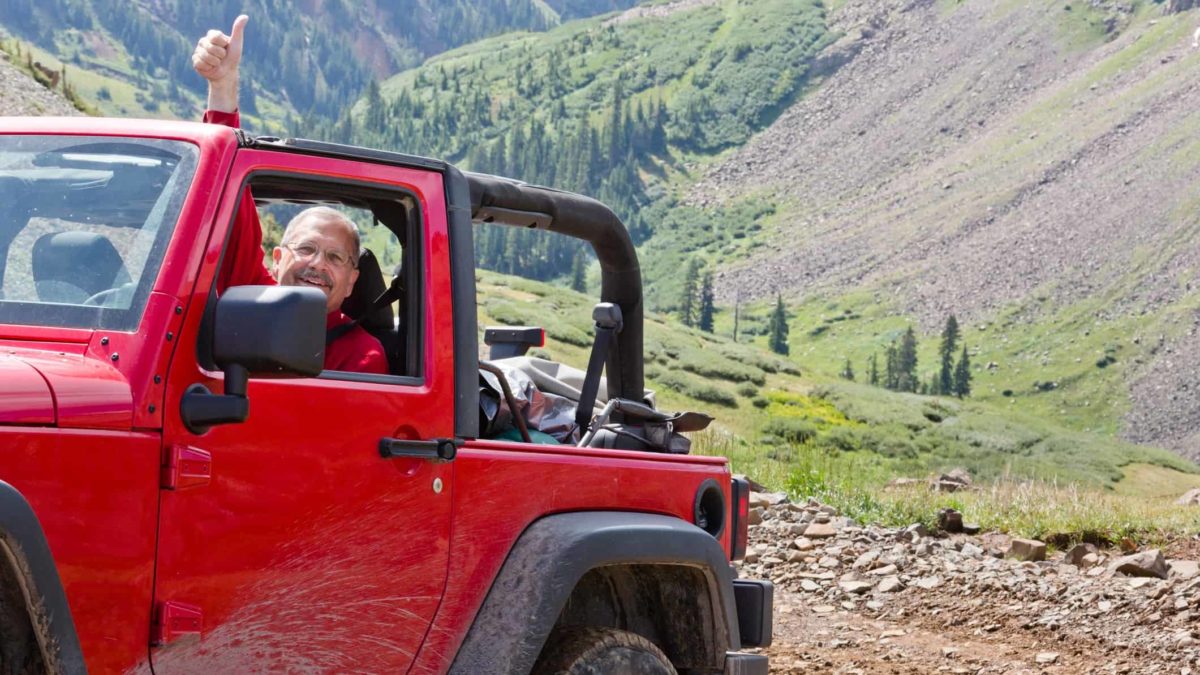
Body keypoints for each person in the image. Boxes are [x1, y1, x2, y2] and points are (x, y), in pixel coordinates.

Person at [192, 16, 388, 375]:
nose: (317, 264)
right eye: (306, 249)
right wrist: (223, 87)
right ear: (277, 258)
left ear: (351, 282)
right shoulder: (250, 296)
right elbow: (224, 202)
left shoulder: (363, 357)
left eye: (335, 257)